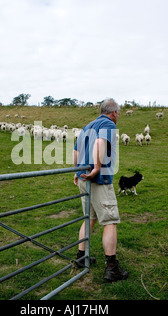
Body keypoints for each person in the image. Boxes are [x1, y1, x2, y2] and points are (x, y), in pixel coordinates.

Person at [73, 98, 128, 282]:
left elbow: (76, 151)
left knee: (89, 218)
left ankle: (81, 257)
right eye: (118, 113)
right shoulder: (108, 124)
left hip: (83, 177)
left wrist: (76, 172)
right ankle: (112, 268)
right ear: (113, 113)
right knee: (110, 221)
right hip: (99, 179)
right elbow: (99, 144)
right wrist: (97, 167)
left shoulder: (86, 127)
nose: (118, 116)